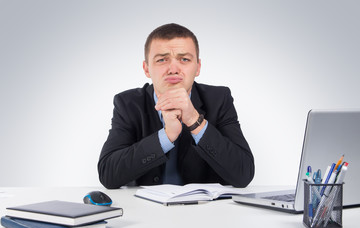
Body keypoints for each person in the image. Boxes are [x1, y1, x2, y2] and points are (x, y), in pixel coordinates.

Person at [98, 23, 254, 189]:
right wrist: (166, 136)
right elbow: (108, 174)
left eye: (184, 59)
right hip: (146, 210)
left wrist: (195, 121)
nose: (173, 69)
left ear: (198, 67)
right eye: (162, 60)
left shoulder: (219, 99)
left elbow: (243, 173)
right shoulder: (128, 103)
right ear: (146, 69)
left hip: (205, 212)